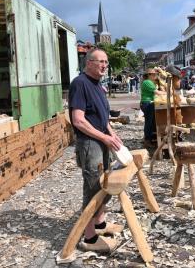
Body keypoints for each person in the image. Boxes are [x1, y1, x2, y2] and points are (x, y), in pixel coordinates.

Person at [68, 48, 124, 252]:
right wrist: (104, 138)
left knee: (103, 184)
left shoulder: (97, 85)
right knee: (92, 188)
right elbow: (79, 120)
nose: (104, 66)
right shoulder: (80, 83)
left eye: (106, 62)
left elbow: (102, 116)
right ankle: (89, 238)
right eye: (100, 61)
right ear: (88, 62)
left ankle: (100, 224)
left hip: (102, 141)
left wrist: (112, 133)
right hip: (90, 143)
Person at [140, 68, 166, 147]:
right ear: (149, 75)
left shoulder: (150, 82)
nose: (156, 76)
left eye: (156, 74)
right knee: (149, 122)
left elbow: (159, 90)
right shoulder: (147, 82)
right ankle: (147, 140)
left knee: (152, 121)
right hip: (147, 103)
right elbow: (157, 92)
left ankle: (151, 138)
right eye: (154, 74)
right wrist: (167, 93)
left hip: (149, 103)